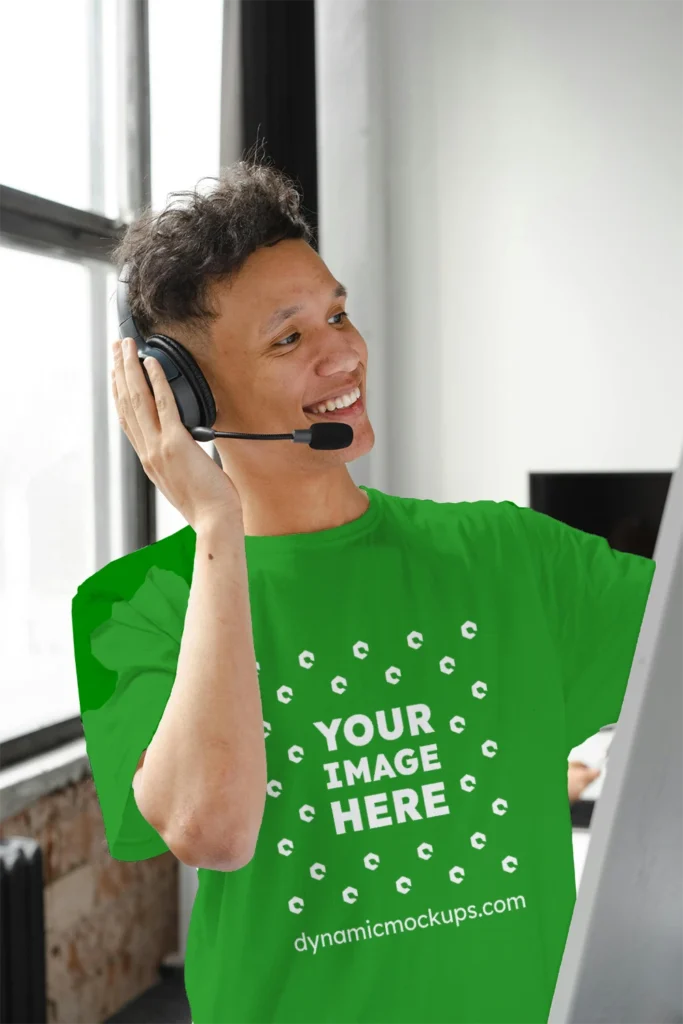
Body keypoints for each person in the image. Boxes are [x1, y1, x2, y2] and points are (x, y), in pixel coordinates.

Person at [71, 153, 656, 1024]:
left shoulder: (506, 554)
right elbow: (214, 829)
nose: (341, 350)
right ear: (189, 398)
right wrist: (216, 526)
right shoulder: (136, 607)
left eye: (337, 312)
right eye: (288, 337)